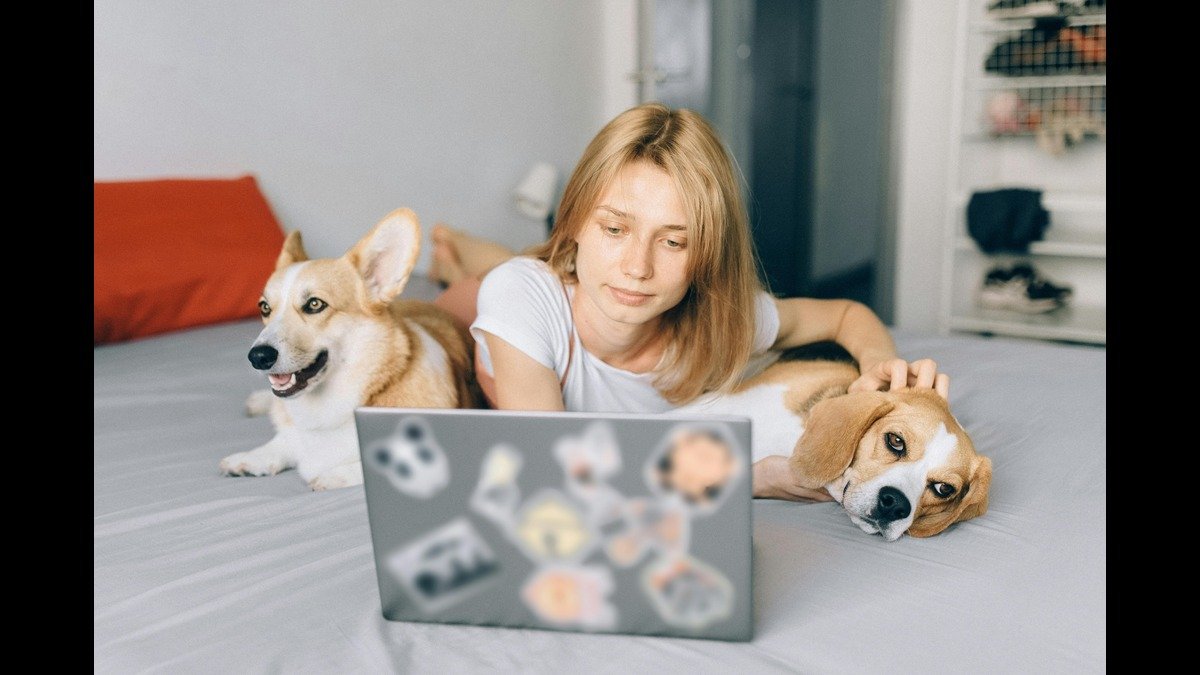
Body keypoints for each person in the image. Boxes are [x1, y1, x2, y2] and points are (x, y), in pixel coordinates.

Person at [430, 102, 950, 502]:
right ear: (573, 223)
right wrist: (752, 478)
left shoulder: (721, 323)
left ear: (705, 256)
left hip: (566, 281)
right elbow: (551, 474)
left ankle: (469, 251)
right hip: (490, 322)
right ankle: (452, 253)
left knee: (537, 266)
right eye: (614, 228)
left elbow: (844, 314)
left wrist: (881, 367)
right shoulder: (522, 296)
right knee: (497, 272)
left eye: (674, 241)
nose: (639, 266)